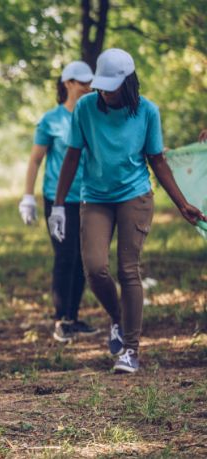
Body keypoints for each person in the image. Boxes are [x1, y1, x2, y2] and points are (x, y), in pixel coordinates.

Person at [49, 48, 207, 374]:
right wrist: (59, 206)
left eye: (112, 86)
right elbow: (72, 157)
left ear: (128, 83)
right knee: (95, 268)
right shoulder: (85, 109)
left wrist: (181, 204)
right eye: (101, 86)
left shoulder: (148, 111)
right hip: (95, 197)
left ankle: (130, 350)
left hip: (134, 195)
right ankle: (119, 320)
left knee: (128, 270)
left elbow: (157, 161)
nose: (105, 93)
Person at [19, 61, 97, 342]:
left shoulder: (92, 115)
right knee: (66, 257)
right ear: (68, 83)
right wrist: (28, 196)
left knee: (85, 260)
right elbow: (36, 159)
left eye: (91, 81)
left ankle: (73, 317)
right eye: (83, 82)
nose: (89, 86)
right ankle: (60, 319)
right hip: (59, 200)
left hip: (90, 197)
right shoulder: (51, 120)